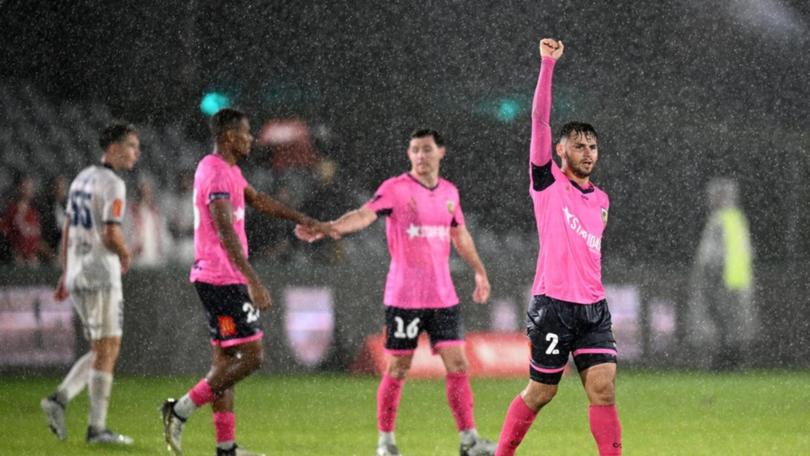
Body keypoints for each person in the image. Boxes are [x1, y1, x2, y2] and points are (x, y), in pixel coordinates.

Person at [296, 129, 496, 456]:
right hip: (405, 297)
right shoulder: (396, 189)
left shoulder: (449, 192)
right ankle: (385, 442)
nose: (420, 156)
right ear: (409, 154)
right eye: (415, 150)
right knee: (398, 368)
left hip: (443, 296)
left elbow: (461, 235)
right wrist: (333, 227)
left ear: (440, 152)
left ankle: (469, 440)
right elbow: (364, 215)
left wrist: (479, 272)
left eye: (426, 149)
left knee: (458, 364)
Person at [160, 108, 336, 456]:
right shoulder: (214, 172)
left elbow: (259, 200)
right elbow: (225, 231)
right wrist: (253, 280)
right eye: (246, 133)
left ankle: (226, 448)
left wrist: (302, 219)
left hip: (222, 276)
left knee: (226, 363)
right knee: (252, 356)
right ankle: (179, 409)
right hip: (221, 278)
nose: (251, 139)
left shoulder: (229, 171)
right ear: (228, 137)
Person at [494, 39, 622, 456]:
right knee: (541, 393)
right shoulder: (547, 182)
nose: (588, 153)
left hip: (593, 308)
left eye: (593, 147)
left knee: (603, 391)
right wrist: (547, 65)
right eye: (579, 146)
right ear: (561, 150)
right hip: (553, 306)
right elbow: (539, 120)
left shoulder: (601, 200)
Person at [40, 122, 140, 445]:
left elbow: (69, 226)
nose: (135, 153)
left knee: (100, 348)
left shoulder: (82, 177)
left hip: (78, 273)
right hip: (100, 274)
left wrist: (65, 271)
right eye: (130, 146)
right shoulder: (113, 184)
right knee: (108, 348)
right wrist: (125, 253)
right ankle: (96, 428)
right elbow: (111, 234)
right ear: (112, 147)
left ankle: (59, 400)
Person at [688, 177, 756, 370]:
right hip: (739, 281)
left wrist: (706, 275)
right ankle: (735, 361)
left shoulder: (720, 220)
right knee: (735, 324)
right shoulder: (737, 219)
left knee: (721, 323)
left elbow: (711, 254)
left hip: (722, 280)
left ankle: (725, 362)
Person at [1, 173, 53, 265]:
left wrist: (49, 253)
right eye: (25, 187)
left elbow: (36, 238)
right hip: (17, 257)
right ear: (18, 188)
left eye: (30, 187)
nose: (29, 190)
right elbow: (5, 233)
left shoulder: (33, 212)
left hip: (32, 257)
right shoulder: (12, 210)